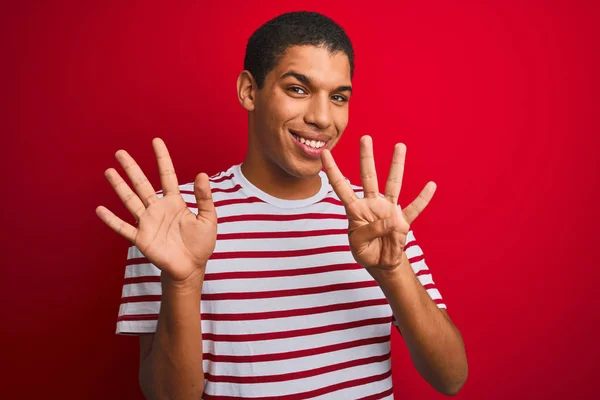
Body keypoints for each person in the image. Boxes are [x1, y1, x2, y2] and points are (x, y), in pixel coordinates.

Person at [96, 11, 468, 399]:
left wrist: (393, 271)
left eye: (338, 97)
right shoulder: (172, 219)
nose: (322, 118)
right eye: (298, 89)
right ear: (249, 91)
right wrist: (184, 282)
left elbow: (451, 378)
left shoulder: (374, 218)